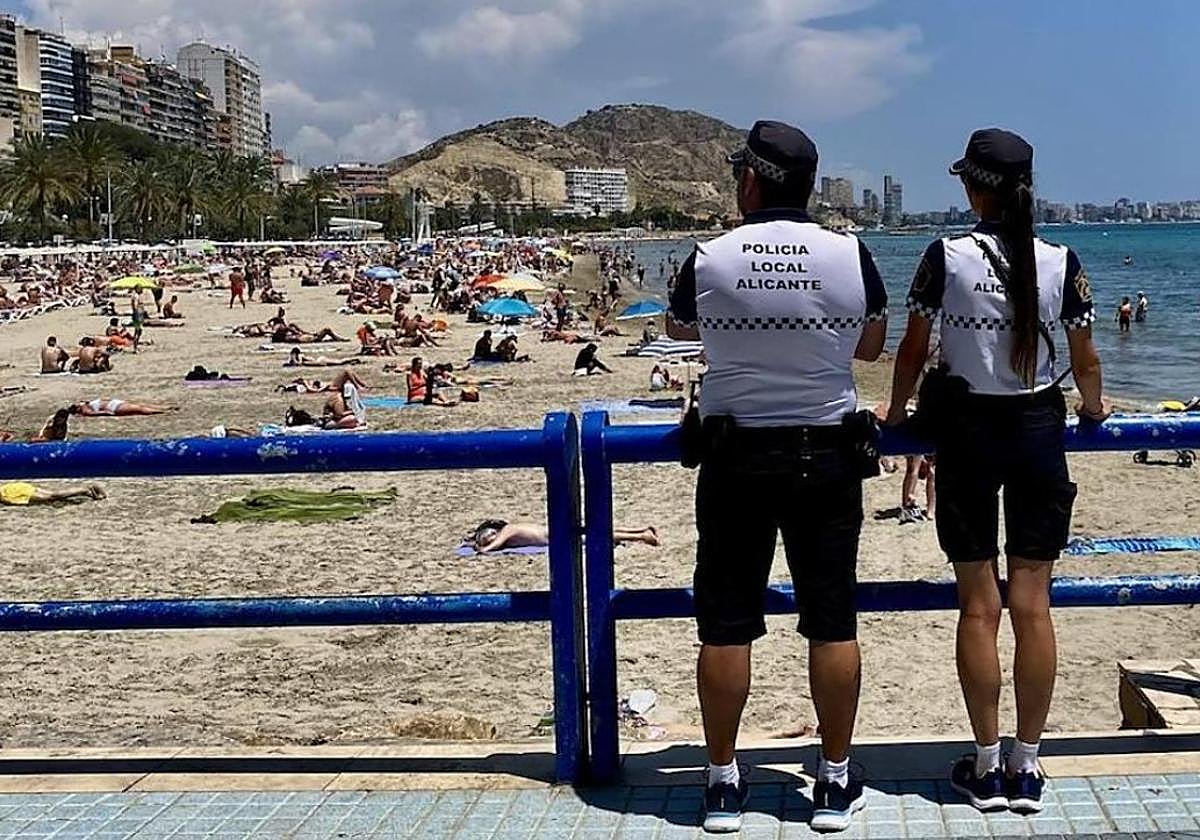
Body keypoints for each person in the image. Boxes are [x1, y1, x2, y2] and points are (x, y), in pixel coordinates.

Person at [667, 120, 887, 833]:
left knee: (726, 626)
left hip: (735, 455)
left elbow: (678, 329)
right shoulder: (849, 252)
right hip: (828, 452)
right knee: (833, 622)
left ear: (750, 180)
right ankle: (833, 781)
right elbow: (872, 344)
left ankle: (722, 783)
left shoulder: (709, 256)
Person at [884, 128, 1108, 816]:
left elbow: (912, 349)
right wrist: (1094, 409)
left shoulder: (945, 256)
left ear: (972, 187)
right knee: (1034, 607)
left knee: (979, 607)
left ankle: (985, 765)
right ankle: (1028, 765)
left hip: (968, 433)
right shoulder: (1060, 258)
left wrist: (897, 413)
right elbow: (1086, 359)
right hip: (1037, 430)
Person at [471, 520, 659, 553]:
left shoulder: (508, 530)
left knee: (595, 535)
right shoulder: (510, 530)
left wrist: (482, 549)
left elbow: (495, 545)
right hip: (551, 532)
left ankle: (642, 536)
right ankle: (640, 530)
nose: (488, 539)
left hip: (552, 536)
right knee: (595, 529)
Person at [0, 482, 105, 506]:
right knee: (53, 495)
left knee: (51, 497)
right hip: (13, 488)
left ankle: (85, 490)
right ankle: (85, 491)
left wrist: (10, 502)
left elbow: (3, 498)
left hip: (12, 493)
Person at [71, 399, 175, 417]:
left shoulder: (83, 406)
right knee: (139, 408)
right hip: (113, 406)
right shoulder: (85, 408)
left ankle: (164, 409)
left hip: (114, 405)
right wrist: (107, 413)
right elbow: (98, 413)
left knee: (139, 407)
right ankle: (163, 410)